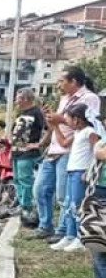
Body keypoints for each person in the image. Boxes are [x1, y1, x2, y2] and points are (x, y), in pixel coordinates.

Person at [36, 66, 101, 243]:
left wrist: (60, 119)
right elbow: (59, 123)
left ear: (74, 82)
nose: (58, 85)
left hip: (71, 151)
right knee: (41, 190)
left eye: (62, 81)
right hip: (55, 147)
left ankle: (65, 231)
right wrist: (50, 118)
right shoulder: (64, 99)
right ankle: (45, 225)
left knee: (65, 197)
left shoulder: (89, 98)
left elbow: (91, 123)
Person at [51, 104, 102, 252]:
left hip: (81, 172)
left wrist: (90, 170)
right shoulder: (78, 132)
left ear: (78, 119)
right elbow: (63, 143)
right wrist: (55, 127)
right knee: (69, 205)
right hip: (71, 171)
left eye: (68, 119)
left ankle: (81, 237)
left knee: (78, 205)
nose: (67, 122)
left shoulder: (89, 132)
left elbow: (96, 151)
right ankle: (70, 235)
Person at [73, 138, 106, 278]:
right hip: (99, 191)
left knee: (103, 257)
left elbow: (101, 153)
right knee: (97, 249)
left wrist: (99, 150)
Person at [10, 89, 46, 228]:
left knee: (26, 179)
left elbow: (47, 130)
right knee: (17, 179)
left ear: (26, 99)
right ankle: (22, 204)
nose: (16, 101)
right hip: (16, 151)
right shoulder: (21, 114)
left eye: (18, 98)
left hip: (28, 153)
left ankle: (27, 207)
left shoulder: (37, 113)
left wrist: (38, 144)